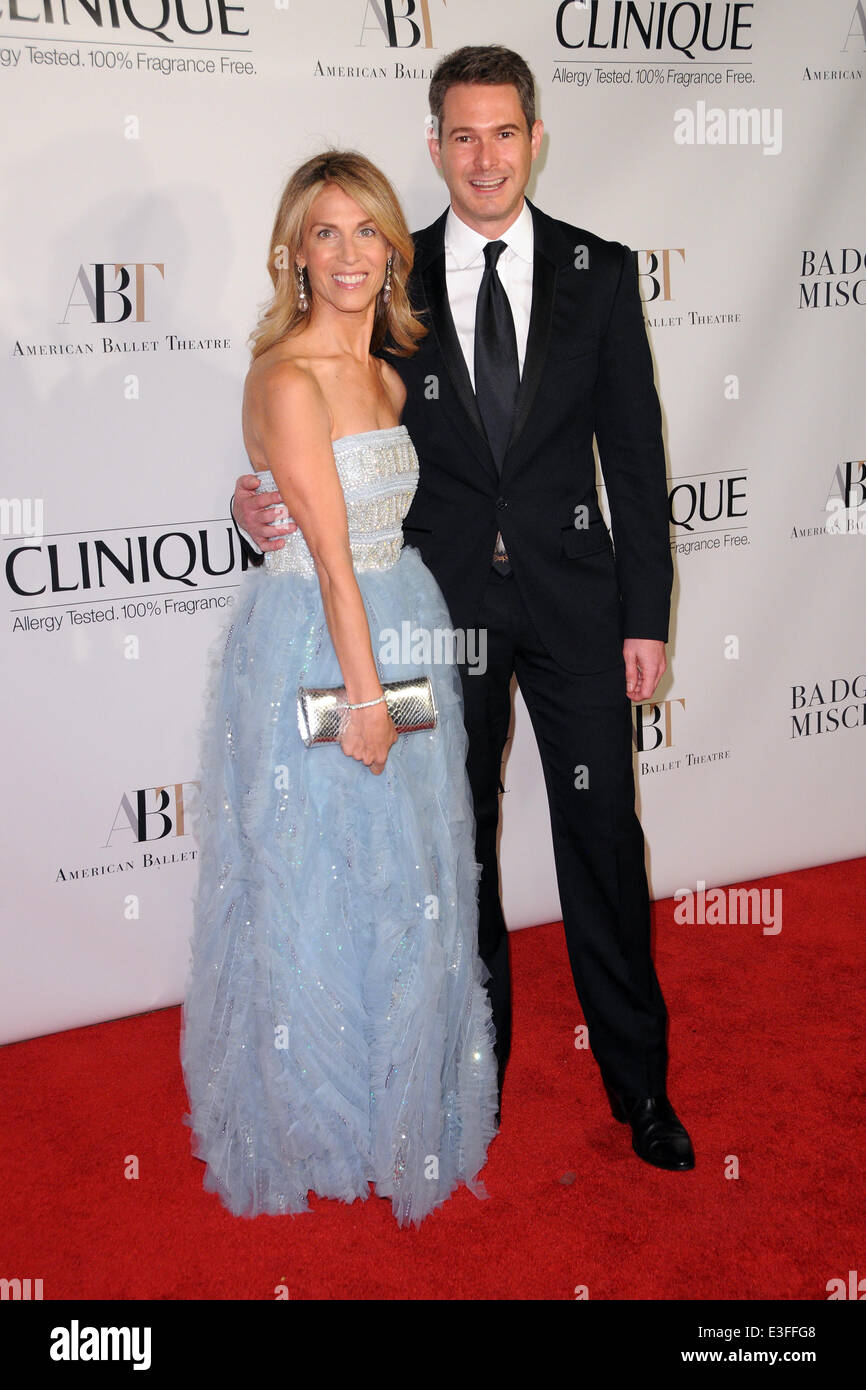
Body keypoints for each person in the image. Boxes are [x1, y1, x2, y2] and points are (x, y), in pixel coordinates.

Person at [233, 47, 695, 1172]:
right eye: (462, 135)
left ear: (534, 138)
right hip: (435, 616)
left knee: (599, 839)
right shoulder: (392, 279)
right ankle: (464, 1083)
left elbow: (632, 462)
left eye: (504, 133)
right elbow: (324, 425)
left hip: (579, 607)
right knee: (455, 857)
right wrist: (256, 501)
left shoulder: (599, 270)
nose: (483, 157)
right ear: (433, 143)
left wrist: (645, 616)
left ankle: (639, 1087)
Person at [180, 150, 499, 1228]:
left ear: (392, 251)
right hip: (321, 652)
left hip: (403, 627)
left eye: (367, 231)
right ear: (295, 253)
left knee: (404, 873)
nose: (350, 253)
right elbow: (322, 558)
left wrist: (392, 679)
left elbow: (370, 526)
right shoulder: (284, 374)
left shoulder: (391, 376)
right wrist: (365, 697)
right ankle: (313, 1114)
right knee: (313, 875)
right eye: (326, 233)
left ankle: (395, 1104)